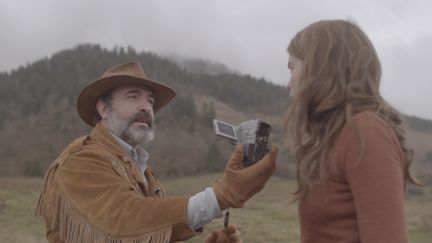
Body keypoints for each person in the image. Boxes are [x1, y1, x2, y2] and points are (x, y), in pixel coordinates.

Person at [35, 61, 278, 243]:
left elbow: (150, 232)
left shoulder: (136, 163)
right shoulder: (82, 159)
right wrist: (220, 196)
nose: (146, 107)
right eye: (133, 97)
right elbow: (125, 221)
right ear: (103, 109)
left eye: (150, 101)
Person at [284, 19, 420, 243]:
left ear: (321, 67)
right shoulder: (335, 137)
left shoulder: (366, 134)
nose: (288, 84)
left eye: (292, 68)